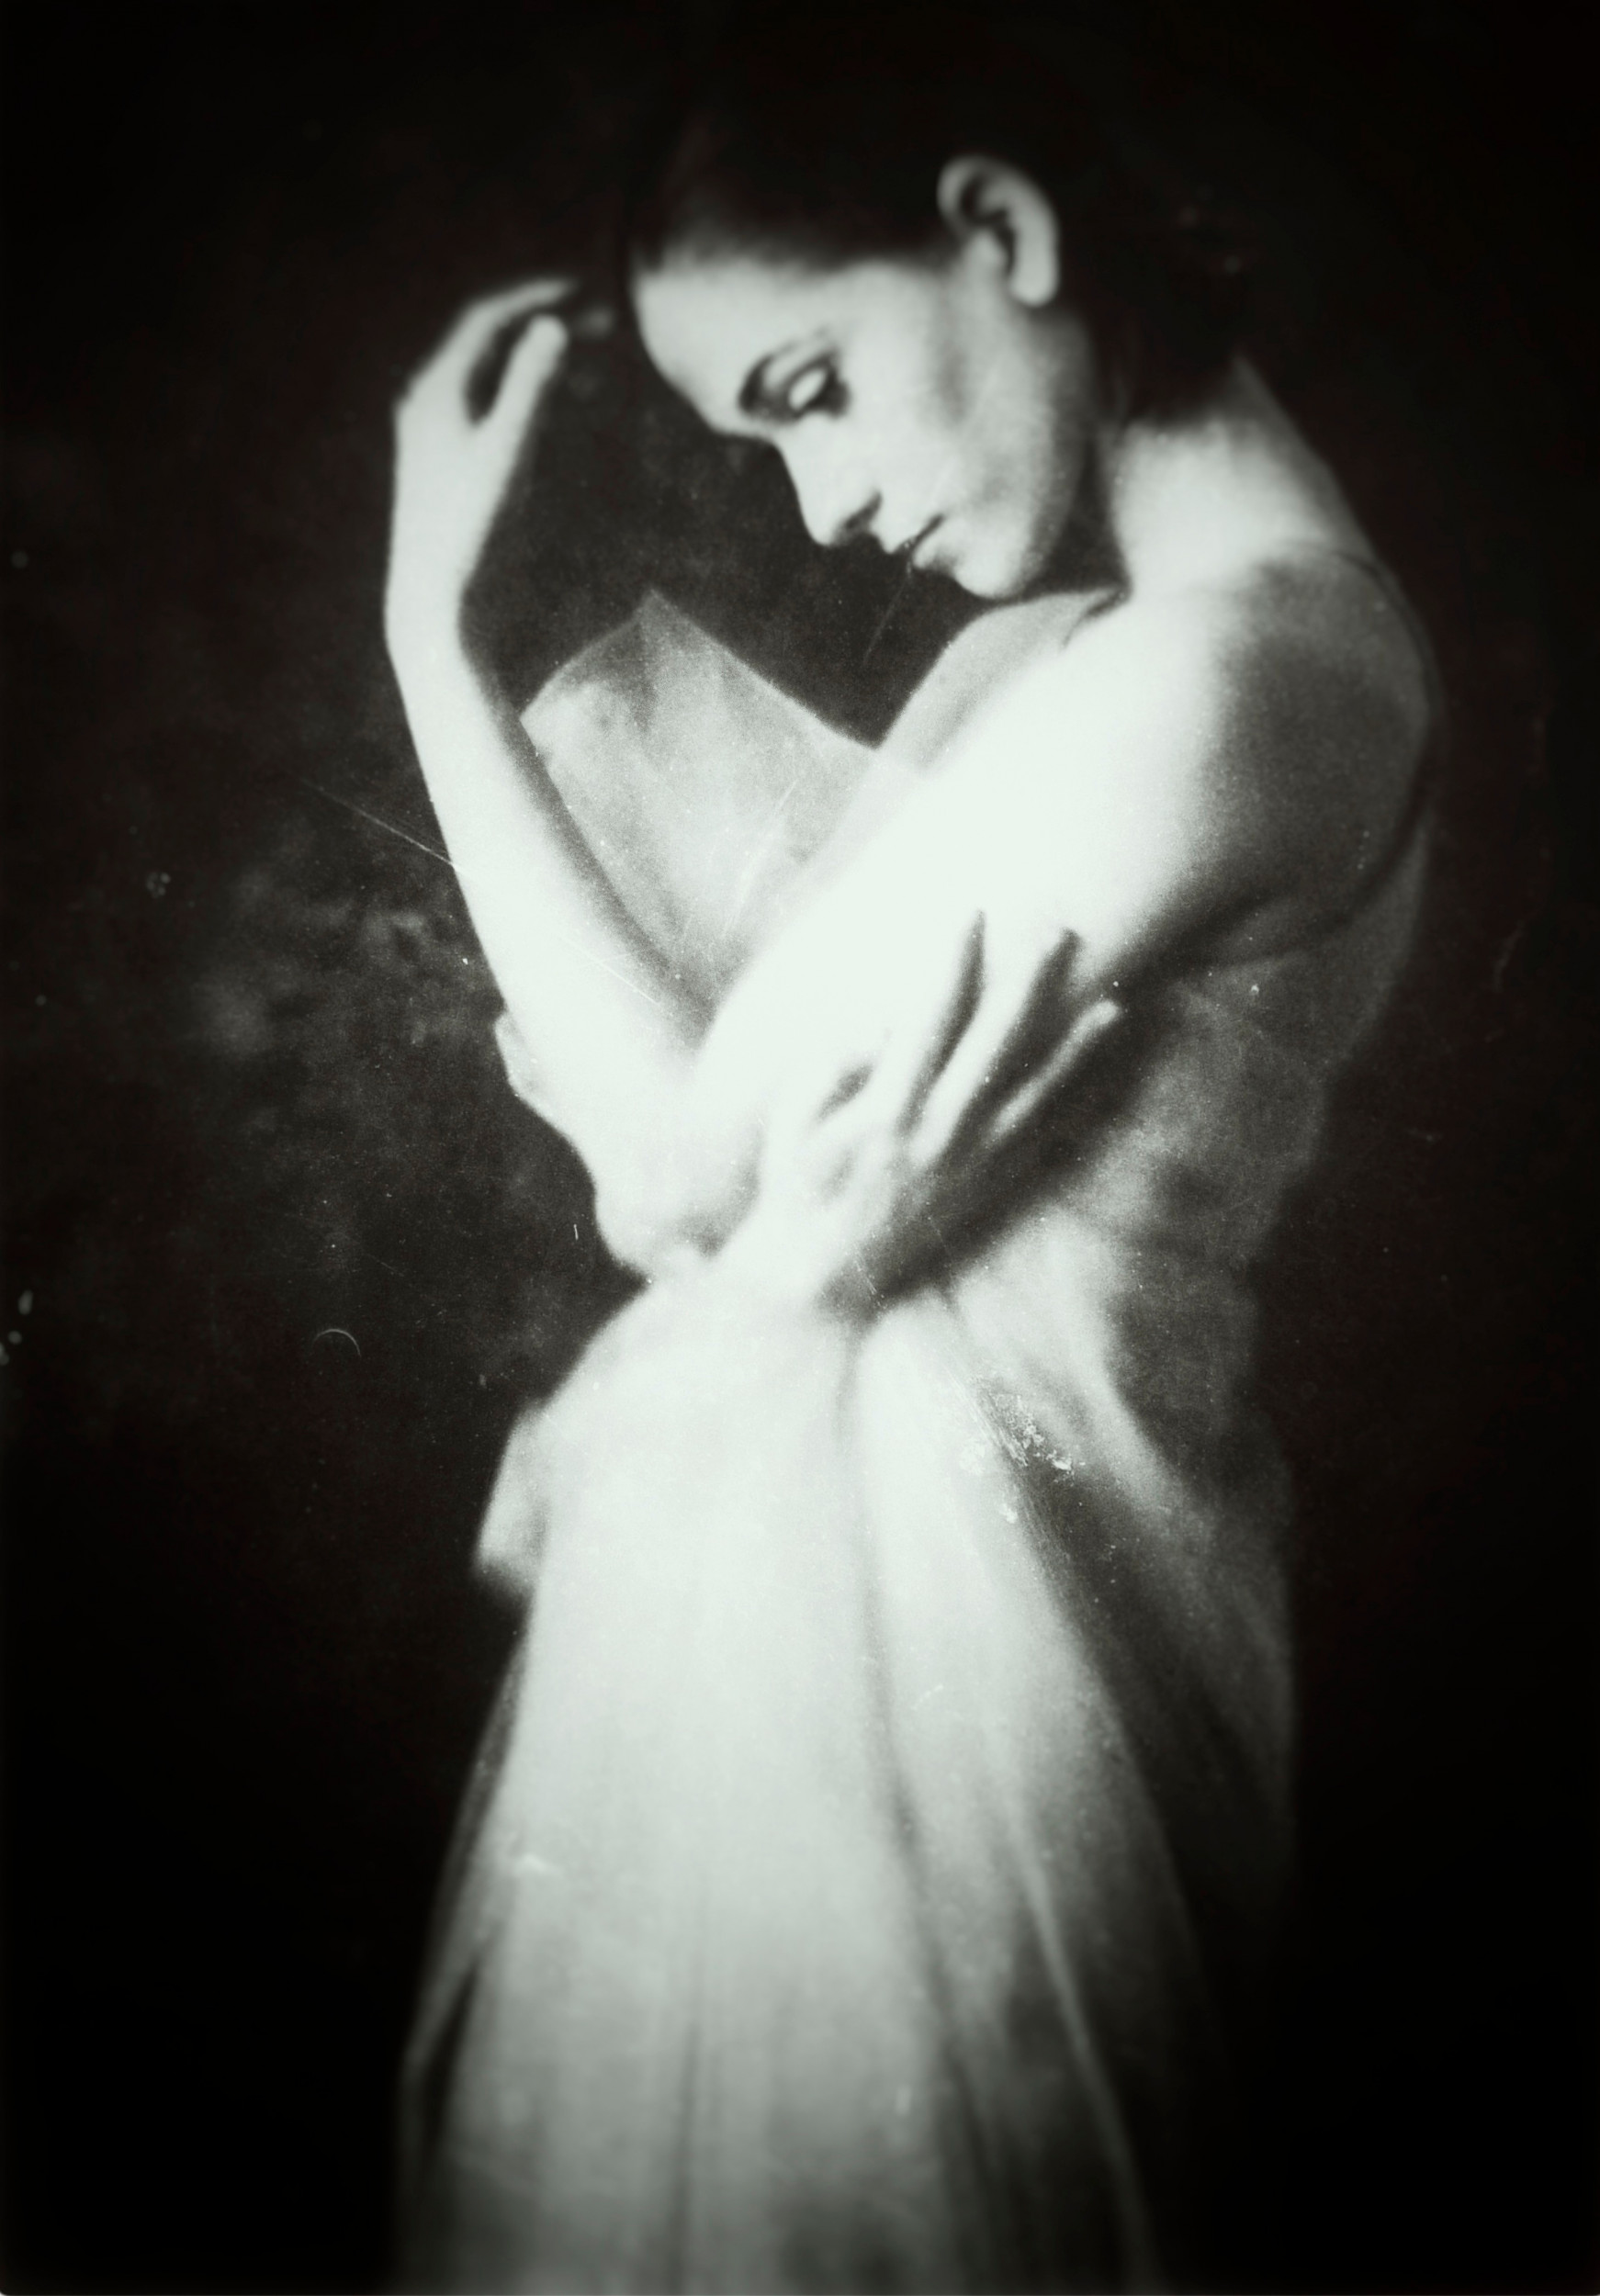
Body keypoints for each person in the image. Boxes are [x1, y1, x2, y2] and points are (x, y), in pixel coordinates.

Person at [384, 13, 1434, 2289]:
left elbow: (674, 1180)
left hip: (955, 1688)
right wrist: (751, 1217)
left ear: (999, 228)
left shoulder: (1216, 682)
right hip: (902, 1627)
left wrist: (425, 644)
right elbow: (714, 1182)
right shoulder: (1124, 656)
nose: (820, 504)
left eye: (812, 390)